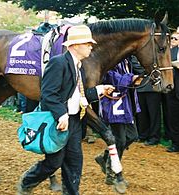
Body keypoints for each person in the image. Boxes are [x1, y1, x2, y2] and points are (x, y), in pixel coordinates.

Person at [17, 25, 115, 195]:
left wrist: (100, 90)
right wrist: (61, 115)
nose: (91, 46)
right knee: (54, 163)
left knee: (75, 162)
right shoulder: (58, 62)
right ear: (76, 45)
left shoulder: (79, 67)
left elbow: (78, 96)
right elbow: (48, 94)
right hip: (59, 122)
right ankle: (27, 182)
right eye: (88, 43)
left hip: (75, 121)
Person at [95, 57, 141, 194]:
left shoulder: (128, 59)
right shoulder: (112, 57)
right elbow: (112, 77)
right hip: (113, 104)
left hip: (125, 103)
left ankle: (104, 158)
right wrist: (132, 78)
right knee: (119, 140)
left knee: (132, 135)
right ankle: (112, 173)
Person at [165, 25, 179, 152]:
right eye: (177, 33)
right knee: (174, 119)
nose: (177, 35)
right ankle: (176, 144)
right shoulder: (171, 50)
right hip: (173, 90)